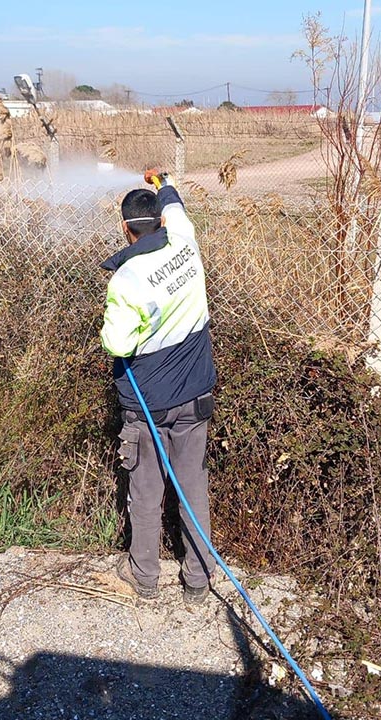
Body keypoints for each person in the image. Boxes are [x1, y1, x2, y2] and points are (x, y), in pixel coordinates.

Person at [100, 169, 216, 604]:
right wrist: (163, 180)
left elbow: (117, 342)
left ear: (125, 228)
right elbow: (176, 206)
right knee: (192, 490)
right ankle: (198, 581)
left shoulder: (126, 280)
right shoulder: (185, 242)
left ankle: (144, 576)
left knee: (145, 491)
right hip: (194, 398)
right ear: (162, 223)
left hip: (147, 405)